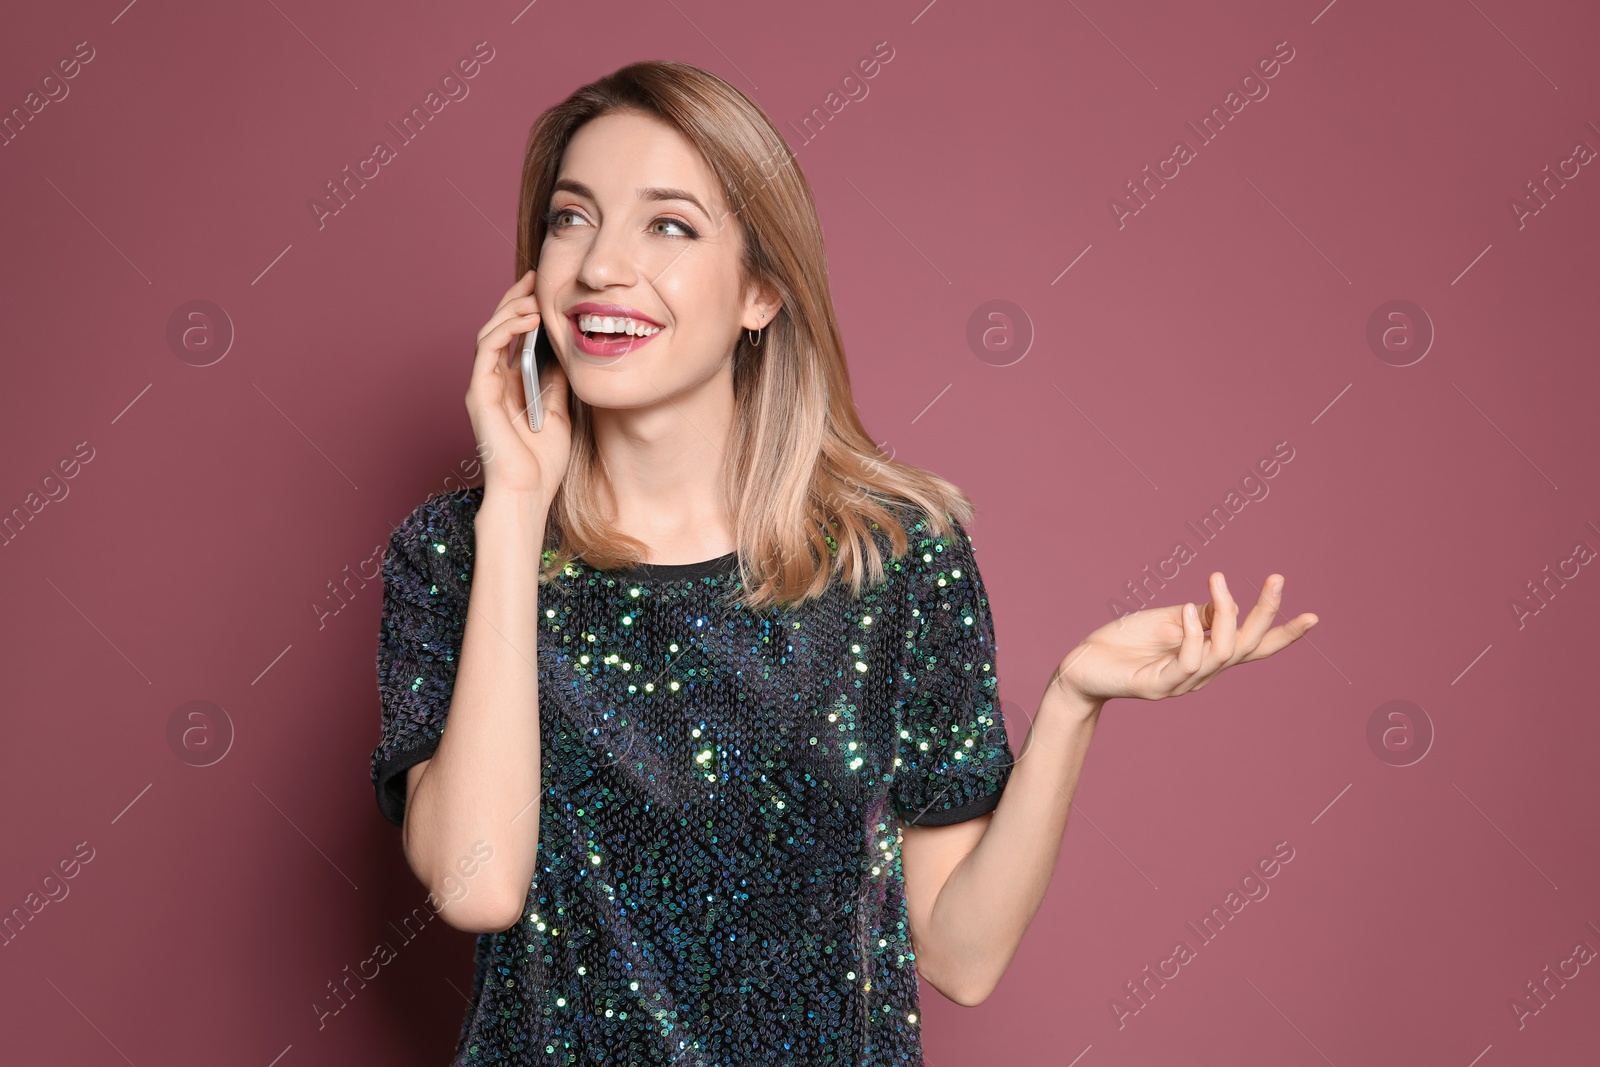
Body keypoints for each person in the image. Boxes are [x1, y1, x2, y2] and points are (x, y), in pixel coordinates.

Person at [369, 60, 1319, 1066]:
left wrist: (1074, 702)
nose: (602, 265)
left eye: (670, 225)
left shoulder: (895, 558)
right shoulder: (453, 553)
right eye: (572, 218)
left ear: (762, 290)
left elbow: (961, 952)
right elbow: (478, 884)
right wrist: (516, 510)